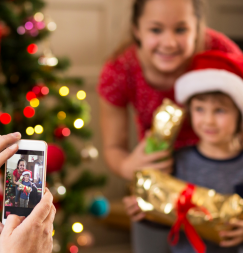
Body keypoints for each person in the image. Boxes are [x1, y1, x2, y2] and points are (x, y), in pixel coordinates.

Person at [98, 0, 242, 252]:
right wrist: (127, 167)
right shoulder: (120, 70)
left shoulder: (223, 56)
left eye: (181, 29)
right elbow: (113, 147)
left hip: (224, 179)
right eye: (156, 30)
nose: (169, 42)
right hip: (160, 185)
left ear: (198, 28)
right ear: (136, 29)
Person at [171, 50, 243, 252]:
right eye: (199, 109)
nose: (209, 120)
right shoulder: (178, 162)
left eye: (220, 110)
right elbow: (164, 217)